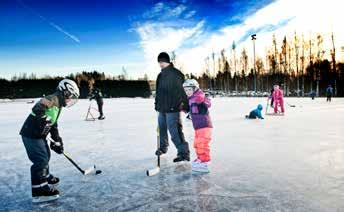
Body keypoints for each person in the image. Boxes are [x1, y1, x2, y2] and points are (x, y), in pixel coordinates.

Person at [19, 79, 79, 203]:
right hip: (31, 134)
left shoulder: (59, 105)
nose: (69, 100)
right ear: (64, 92)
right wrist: (44, 119)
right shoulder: (53, 98)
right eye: (70, 96)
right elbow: (38, 107)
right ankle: (39, 191)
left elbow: (54, 123)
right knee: (40, 160)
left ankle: (45, 175)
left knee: (46, 154)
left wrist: (57, 141)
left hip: (39, 134)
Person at [154, 52, 190, 163]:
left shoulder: (176, 74)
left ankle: (184, 153)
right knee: (162, 130)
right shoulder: (160, 76)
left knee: (175, 131)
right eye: (159, 62)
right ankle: (163, 148)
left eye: (162, 61)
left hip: (173, 108)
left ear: (168, 61)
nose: (161, 64)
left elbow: (183, 91)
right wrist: (156, 103)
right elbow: (158, 92)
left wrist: (186, 104)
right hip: (161, 108)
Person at [183, 79, 213, 172]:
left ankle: (205, 161)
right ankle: (200, 158)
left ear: (195, 89)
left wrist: (202, 98)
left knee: (202, 143)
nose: (187, 92)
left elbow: (208, 103)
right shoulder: (191, 99)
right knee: (197, 144)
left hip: (204, 125)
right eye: (186, 90)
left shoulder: (200, 96)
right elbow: (189, 110)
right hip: (197, 126)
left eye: (189, 90)